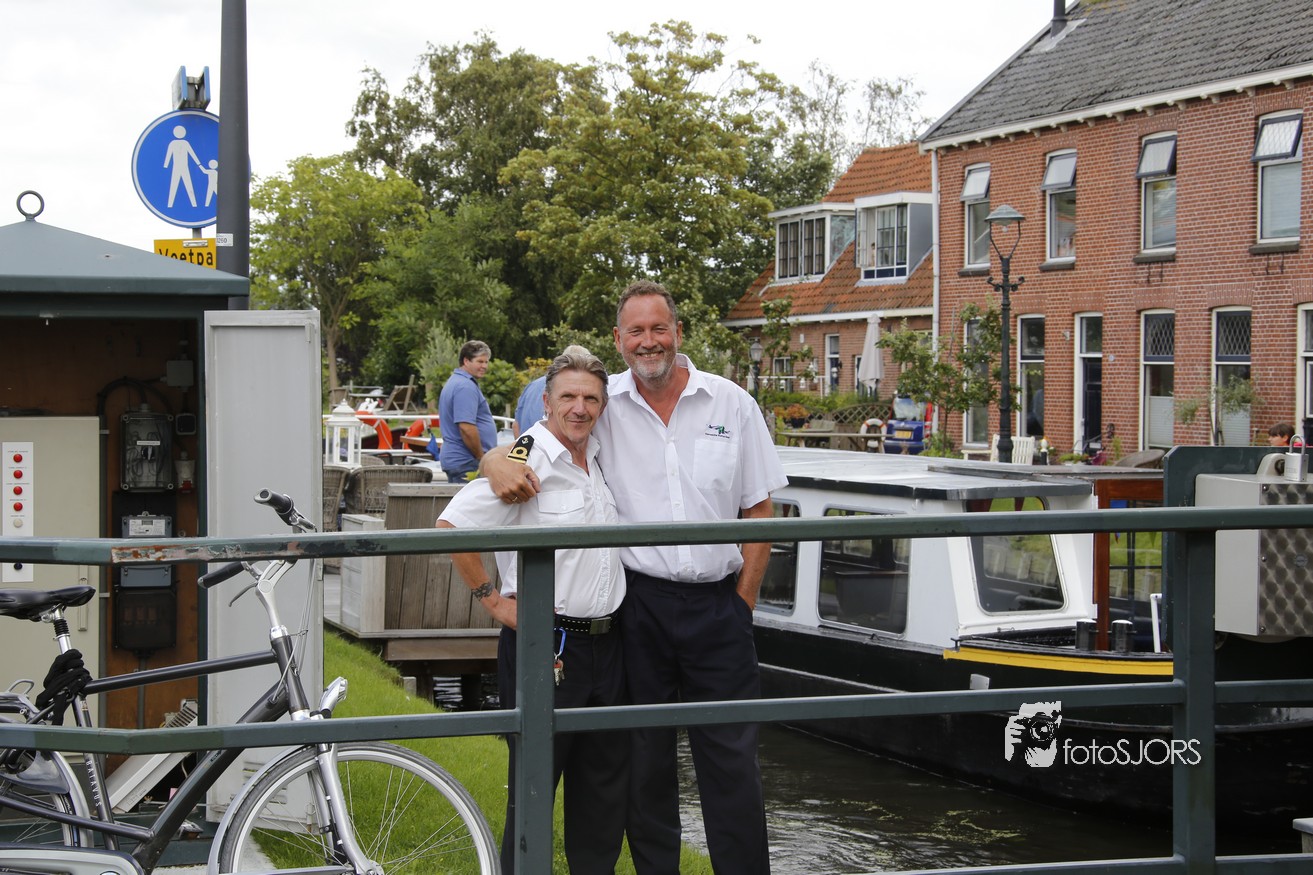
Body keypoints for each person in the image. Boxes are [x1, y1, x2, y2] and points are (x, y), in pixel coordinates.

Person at [483, 280, 786, 875]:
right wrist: (495, 459)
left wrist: (743, 602)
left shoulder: (731, 403)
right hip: (639, 607)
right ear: (619, 340)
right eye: (636, 331)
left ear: (678, 332)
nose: (649, 342)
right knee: (645, 763)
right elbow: (535, 443)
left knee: (733, 763)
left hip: (720, 606)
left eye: (659, 328)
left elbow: (759, 509)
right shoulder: (603, 403)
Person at [436, 348, 627, 875]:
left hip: (608, 644)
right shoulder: (527, 457)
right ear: (546, 401)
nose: (580, 408)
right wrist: (492, 601)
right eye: (568, 396)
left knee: (602, 789)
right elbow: (451, 526)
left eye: (591, 398)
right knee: (535, 787)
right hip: (548, 645)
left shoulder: (599, 455)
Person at [437, 340, 497, 481]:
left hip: (461, 461)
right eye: (480, 361)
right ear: (466, 361)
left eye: (486, 362)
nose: (484, 366)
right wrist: (482, 458)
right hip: (467, 462)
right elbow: (466, 428)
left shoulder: (456, 381)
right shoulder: (465, 387)